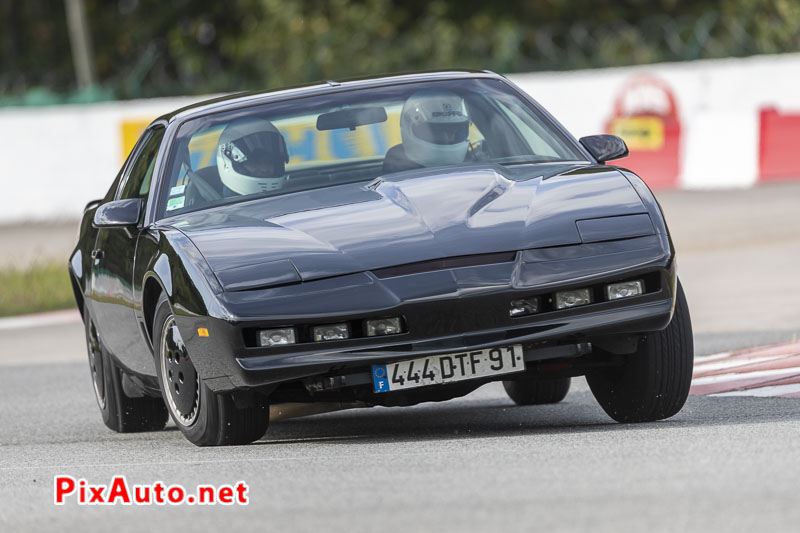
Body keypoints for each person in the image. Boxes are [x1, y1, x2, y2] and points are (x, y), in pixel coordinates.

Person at [383, 90, 471, 173]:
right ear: (409, 128)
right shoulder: (396, 164)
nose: (448, 137)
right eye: (438, 131)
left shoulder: (474, 161)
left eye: (455, 130)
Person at [217, 117, 289, 195]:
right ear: (226, 164)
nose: (264, 169)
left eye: (269, 161)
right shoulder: (225, 206)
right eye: (254, 162)